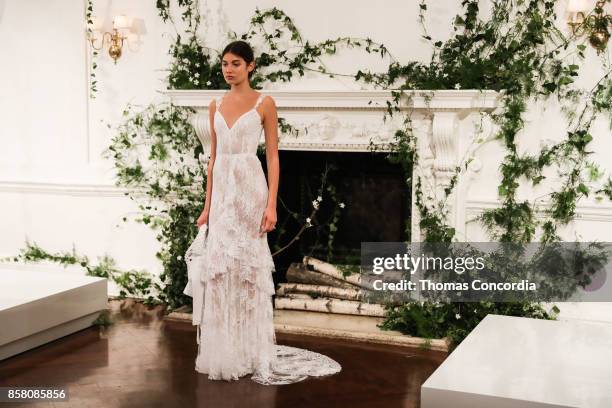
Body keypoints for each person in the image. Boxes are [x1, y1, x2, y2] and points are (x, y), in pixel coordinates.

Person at [184, 40, 341, 385]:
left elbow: (272, 156)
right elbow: (212, 161)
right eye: (225, 63)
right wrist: (207, 207)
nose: (228, 69)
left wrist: (271, 203)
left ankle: (252, 352)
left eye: (236, 63)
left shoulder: (264, 103)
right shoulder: (215, 105)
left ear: (251, 66)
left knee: (248, 271)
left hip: (250, 193)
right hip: (223, 195)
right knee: (222, 269)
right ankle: (225, 353)